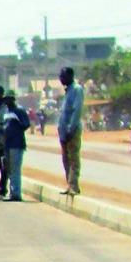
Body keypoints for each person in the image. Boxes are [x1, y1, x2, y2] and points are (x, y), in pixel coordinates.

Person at [58, 66, 84, 195]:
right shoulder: (67, 91)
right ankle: (70, 185)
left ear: (70, 76)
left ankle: (73, 186)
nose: (60, 78)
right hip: (63, 131)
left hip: (72, 130)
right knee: (65, 159)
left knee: (73, 158)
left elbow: (77, 111)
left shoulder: (77, 90)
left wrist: (70, 129)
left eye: (63, 76)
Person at [3, 96, 31, 199]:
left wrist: (16, 132)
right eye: (6, 99)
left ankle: (16, 194)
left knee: (15, 169)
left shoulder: (19, 110)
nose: (7, 101)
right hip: (7, 145)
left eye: (9, 99)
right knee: (9, 170)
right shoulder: (6, 112)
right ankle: (12, 192)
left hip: (16, 144)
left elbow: (26, 124)